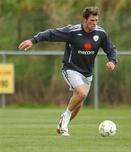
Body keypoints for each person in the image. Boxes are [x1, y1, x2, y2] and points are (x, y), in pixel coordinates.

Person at [18, 6, 117, 136]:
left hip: (87, 73)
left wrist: (112, 61)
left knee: (78, 104)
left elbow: (111, 49)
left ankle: (63, 123)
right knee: (81, 93)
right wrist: (33, 40)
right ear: (85, 19)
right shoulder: (73, 31)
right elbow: (51, 34)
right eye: (92, 20)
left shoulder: (101, 34)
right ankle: (64, 122)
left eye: (96, 20)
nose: (94, 23)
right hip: (71, 69)